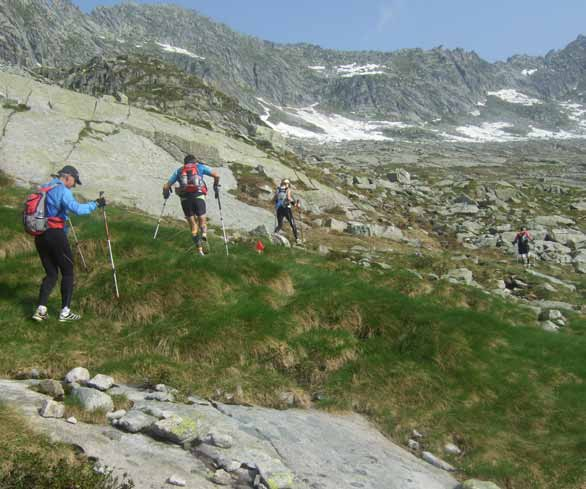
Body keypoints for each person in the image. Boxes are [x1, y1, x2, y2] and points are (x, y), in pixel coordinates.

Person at [32, 165, 105, 322]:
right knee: (68, 271)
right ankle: (65, 312)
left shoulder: (45, 186)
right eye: (74, 181)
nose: (73, 185)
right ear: (67, 177)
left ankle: (41, 310)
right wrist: (96, 204)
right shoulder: (63, 190)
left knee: (51, 273)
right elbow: (77, 209)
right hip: (55, 235)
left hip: (39, 234)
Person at [163, 154, 220, 255]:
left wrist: (166, 193)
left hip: (185, 199)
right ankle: (204, 234)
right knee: (202, 219)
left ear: (185, 163)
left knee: (193, 226)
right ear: (195, 162)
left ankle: (199, 251)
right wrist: (215, 185)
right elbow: (217, 175)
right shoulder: (200, 167)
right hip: (198, 196)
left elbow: (166, 186)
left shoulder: (179, 171)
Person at [274, 178, 301, 244]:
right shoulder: (287, 189)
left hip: (279, 209)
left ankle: (274, 234)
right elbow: (289, 198)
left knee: (280, 224)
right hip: (286, 208)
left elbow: (275, 198)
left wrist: (276, 205)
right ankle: (297, 239)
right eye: (288, 184)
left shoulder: (278, 189)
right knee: (292, 223)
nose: (288, 185)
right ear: (287, 184)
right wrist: (295, 204)